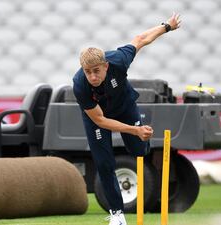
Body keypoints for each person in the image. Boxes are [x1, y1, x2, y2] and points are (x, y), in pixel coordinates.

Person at [73, 13, 181, 225]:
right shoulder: (79, 85)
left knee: (140, 150)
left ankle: (142, 141)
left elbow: (140, 39)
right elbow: (101, 121)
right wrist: (134, 130)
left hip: (125, 108)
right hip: (98, 117)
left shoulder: (118, 60)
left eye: (96, 71)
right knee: (104, 163)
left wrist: (167, 26)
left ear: (105, 66)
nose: (92, 77)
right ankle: (117, 215)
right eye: (88, 72)